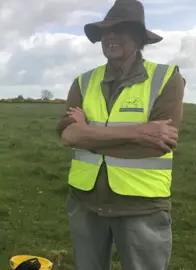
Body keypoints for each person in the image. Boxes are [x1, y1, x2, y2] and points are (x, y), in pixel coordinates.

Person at [57, 0, 186, 269]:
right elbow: (68, 136)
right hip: (86, 203)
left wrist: (87, 133)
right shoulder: (83, 81)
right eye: (105, 32)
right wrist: (140, 130)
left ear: (139, 38)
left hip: (142, 207)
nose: (110, 36)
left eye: (120, 30)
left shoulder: (166, 79)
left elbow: (156, 145)